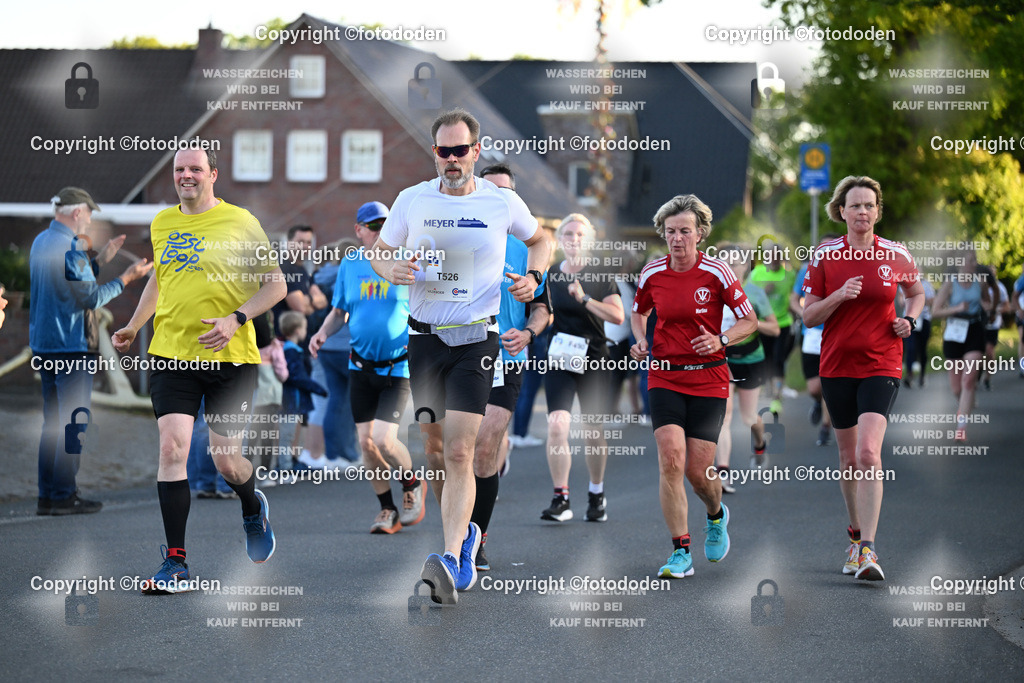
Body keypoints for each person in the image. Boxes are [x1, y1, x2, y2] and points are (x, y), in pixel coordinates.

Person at [368, 108, 549, 606]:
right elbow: (378, 252)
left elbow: (541, 240)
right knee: (431, 448)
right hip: (424, 341)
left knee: (460, 450)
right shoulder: (411, 200)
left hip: (476, 341)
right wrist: (392, 267)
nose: (452, 160)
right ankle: (464, 533)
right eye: (443, 151)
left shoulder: (501, 201)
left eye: (460, 150)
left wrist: (535, 277)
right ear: (435, 153)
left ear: (475, 149)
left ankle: (451, 555)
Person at [111, 148, 286, 594]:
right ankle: (176, 562)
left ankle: (251, 505)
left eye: (195, 169)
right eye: (179, 170)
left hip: (232, 360)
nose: (186, 175)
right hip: (173, 356)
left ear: (213, 175)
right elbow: (161, 278)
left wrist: (236, 319)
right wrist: (134, 325)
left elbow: (276, 284)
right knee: (172, 448)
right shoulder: (163, 223)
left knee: (226, 459)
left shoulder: (241, 222)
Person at [802, 175, 924, 581]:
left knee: (870, 455)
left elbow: (917, 293)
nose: (863, 212)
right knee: (849, 459)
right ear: (841, 211)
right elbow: (809, 315)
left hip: (882, 363)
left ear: (877, 211)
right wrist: (839, 295)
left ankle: (868, 550)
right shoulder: (824, 256)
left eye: (870, 205)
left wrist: (909, 318)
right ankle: (854, 535)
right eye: (855, 205)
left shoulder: (895, 253)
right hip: (836, 365)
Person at [630, 195, 757, 578]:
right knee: (670, 459)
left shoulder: (718, 272)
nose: (677, 239)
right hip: (665, 374)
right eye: (670, 232)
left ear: (700, 234)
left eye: (685, 231)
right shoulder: (652, 273)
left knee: (698, 471)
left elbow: (748, 320)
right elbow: (640, 311)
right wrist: (640, 340)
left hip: (709, 377)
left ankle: (716, 516)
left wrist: (722, 339)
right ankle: (680, 551)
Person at [31, 187, 152, 515]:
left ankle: (48, 497)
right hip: (72, 347)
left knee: (51, 423)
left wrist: (99, 260)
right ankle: (65, 496)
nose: (89, 220)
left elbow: (68, 282)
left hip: (45, 347)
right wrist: (126, 279)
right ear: (76, 213)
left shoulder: (42, 241)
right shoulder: (71, 247)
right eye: (88, 213)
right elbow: (89, 299)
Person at [309, 201, 427, 534]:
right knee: (366, 444)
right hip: (361, 366)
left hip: (398, 367)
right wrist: (320, 333)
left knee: (384, 440)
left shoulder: (408, 261)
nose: (380, 232)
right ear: (358, 231)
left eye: (386, 225)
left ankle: (411, 483)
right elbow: (339, 312)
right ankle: (387, 509)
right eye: (373, 227)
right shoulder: (351, 264)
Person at [468, 163, 551, 570]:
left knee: (484, 447)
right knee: (454, 451)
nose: (499, 198)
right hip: (460, 355)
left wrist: (529, 334)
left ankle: (475, 539)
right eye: (492, 190)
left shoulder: (528, 248)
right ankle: (456, 528)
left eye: (507, 193)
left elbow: (542, 309)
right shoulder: (459, 236)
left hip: (507, 357)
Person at [540, 213, 624, 523]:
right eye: (569, 234)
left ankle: (596, 492)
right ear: (560, 239)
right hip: (561, 357)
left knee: (592, 431)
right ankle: (560, 497)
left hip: (594, 358)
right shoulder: (552, 273)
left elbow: (617, 316)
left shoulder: (601, 272)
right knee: (557, 426)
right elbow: (547, 312)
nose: (574, 239)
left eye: (580, 234)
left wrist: (585, 297)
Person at [713, 244, 779, 490]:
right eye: (725, 262)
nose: (731, 267)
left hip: (751, 359)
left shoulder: (754, 293)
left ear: (746, 266)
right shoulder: (711, 291)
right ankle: (723, 472)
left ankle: (760, 444)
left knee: (749, 417)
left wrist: (749, 322)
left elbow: (775, 329)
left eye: (736, 262)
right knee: (725, 416)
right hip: (723, 360)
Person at [931, 250, 991, 441]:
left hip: (974, 330)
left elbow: (988, 302)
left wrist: (989, 307)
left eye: (975, 260)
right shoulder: (950, 283)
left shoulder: (980, 282)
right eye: (970, 260)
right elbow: (935, 311)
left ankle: (961, 428)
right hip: (954, 332)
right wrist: (956, 308)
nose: (974, 263)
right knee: (957, 388)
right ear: (959, 263)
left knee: (968, 380)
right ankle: (968, 399)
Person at [791, 235, 839, 446]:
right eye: (823, 248)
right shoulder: (806, 270)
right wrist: (805, 313)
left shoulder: (843, 272)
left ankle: (825, 428)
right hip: (811, 334)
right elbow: (794, 300)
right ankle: (818, 403)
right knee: (814, 388)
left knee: (828, 384)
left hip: (835, 334)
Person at [748, 240, 798, 415]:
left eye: (778, 257)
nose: (775, 260)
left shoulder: (789, 275)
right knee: (764, 360)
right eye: (771, 257)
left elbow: (794, 296)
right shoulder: (756, 274)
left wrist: (796, 309)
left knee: (778, 360)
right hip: (762, 325)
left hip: (783, 324)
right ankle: (766, 392)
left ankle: (777, 398)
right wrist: (762, 293)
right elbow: (746, 299)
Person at [901, 278, 934, 387]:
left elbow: (931, 301)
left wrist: (918, 299)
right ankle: (909, 375)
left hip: (924, 320)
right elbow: (901, 302)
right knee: (910, 348)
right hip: (909, 319)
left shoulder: (927, 285)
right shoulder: (905, 284)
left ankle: (922, 375)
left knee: (922, 348)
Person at [982, 273, 1010, 390]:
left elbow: (1007, 306)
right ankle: (976, 373)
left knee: (989, 351)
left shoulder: (1000, 288)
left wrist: (996, 310)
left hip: (993, 324)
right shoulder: (977, 286)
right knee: (978, 352)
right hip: (980, 323)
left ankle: (988, 377)